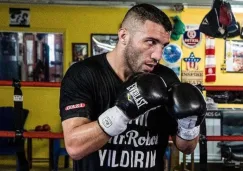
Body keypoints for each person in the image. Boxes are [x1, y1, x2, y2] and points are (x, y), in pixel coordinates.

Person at [59, 3, 207, 171]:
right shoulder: (83, 74)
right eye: (151, 42)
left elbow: (187, 148)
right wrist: (121, 112)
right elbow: (75, 148)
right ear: (123, 36)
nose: (158, 55)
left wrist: (189, 124)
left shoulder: (166, 78)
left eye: (163, 46)